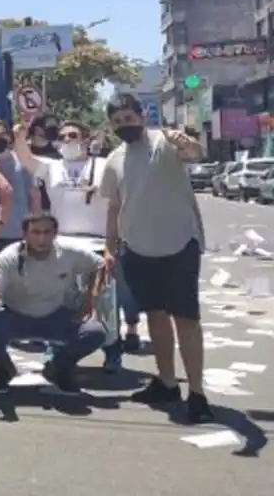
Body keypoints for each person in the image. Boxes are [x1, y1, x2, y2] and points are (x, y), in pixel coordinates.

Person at [99, 93, 211, 422]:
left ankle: (198, 394)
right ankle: (166, 383)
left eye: (129, 118)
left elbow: (195, 153)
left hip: (179, 246)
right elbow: (113, 207)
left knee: (187, 321)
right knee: (156, 317)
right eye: (118, 122)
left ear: (141, 116)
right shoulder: (115, 159)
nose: (124, 126)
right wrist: (109, 246)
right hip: (137, 250)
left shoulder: (166, 142)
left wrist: (186, 142)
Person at [13, 117, 143, 369]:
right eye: (62, 137)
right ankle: (55, 349)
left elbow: (126, 194)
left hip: (97, 243)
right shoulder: (51, 167)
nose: (67, 141)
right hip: (62, 246)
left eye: (73, 135)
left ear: (85, 139)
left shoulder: (106, 165)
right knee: (60, 301)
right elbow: (25, 157)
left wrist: (110, 244)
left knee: (104, 301)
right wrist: (20, 135)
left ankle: (112, 350)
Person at [0, 214, 109, 393]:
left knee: (95, 332)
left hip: (54, 315)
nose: (42, 238)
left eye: (47, 232)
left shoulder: (68, 252)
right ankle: (4, 368)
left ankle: (58, 368)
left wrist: (90, 300)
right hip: (15, 315)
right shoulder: (9, 257)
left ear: (55, 233)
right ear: (25, 235)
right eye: (36, 232)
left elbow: (99, 265)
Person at [0, 120, 39, 249]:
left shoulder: (22, 162)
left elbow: (35, 198)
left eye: (1, 135)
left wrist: (35, 230)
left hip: (20, 235)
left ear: (9, 138)